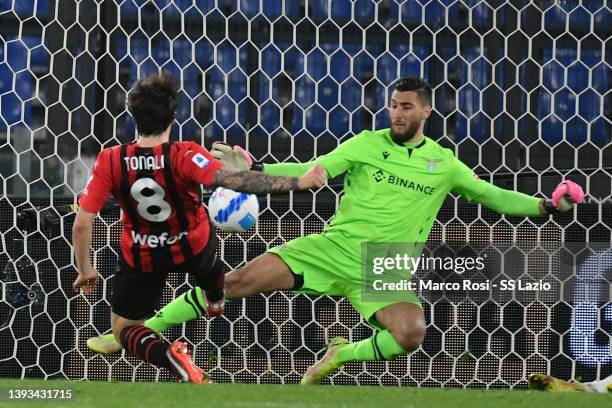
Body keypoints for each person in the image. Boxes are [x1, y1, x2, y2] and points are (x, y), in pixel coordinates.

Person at [86, 76, 585, 385]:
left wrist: (546, 204)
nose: (397, 113)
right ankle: (142, 332)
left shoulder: (445, 164)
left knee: (411, 333)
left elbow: (493, 196)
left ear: (426, 111)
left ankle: (338, 356)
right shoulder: (366, 144)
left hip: (383, 266)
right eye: (393, 104)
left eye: (407, 106)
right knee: (233, 282)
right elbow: (315, 168)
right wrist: (254, 166)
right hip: (332, 247)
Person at [72, 72, 326, 384]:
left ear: (133, 115)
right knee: (207, 252)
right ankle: (215, 294)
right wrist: (300, 181)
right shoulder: (186, 153)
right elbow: (239, 181)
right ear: (174, 117)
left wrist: (85, 270)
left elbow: (83, 223)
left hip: (143, 255)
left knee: (124, 331)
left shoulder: (112, 159)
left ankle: (170, 357)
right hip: (192, 247)